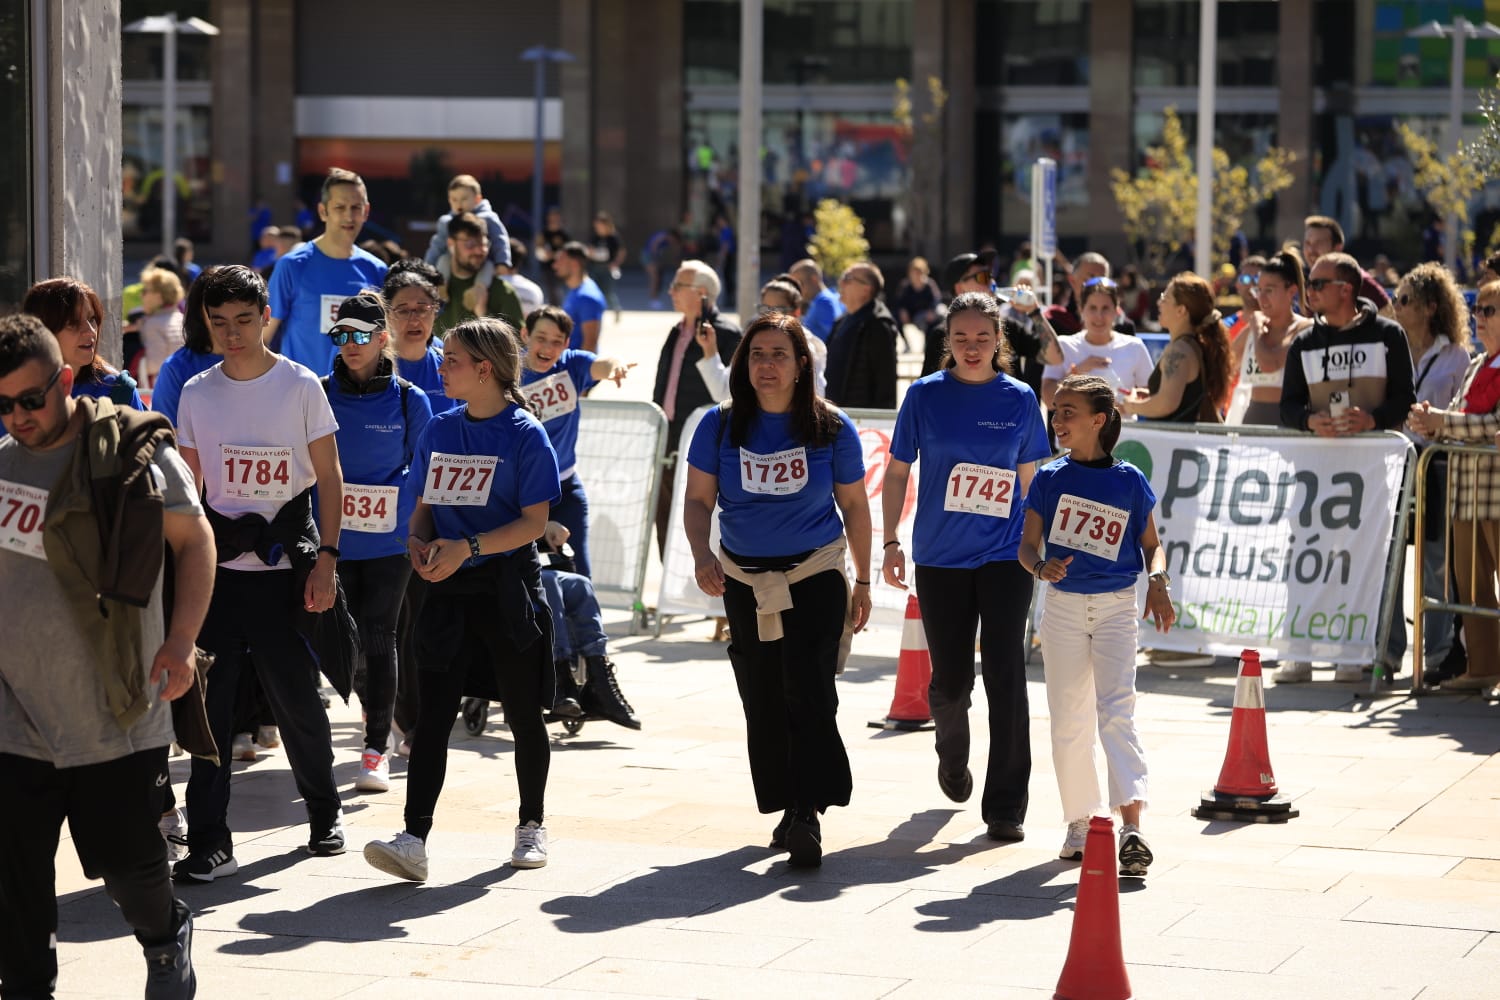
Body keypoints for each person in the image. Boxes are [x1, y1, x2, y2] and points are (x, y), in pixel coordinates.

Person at [0, 312, 212, 998]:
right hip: (15, 719)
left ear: (64, 379)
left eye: (31, 399)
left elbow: (196, 539)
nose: (19, 416)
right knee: (18, 885)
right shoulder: (0, 466)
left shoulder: (128, 452)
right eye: (2, 404)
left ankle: (165, 935)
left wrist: (181, 642)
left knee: (129, 872)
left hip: (115, 709)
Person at [362, 317, 561, 882]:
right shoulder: (440, 428)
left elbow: (534, 522)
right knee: (431, 718)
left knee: (524, 714)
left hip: (506, 589)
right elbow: (423, 503)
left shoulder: (525, 433)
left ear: (486, 369)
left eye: (451, 360)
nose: (440, 367)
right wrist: (418, 542)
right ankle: (413, 838)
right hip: (445, 590)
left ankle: (531, 825)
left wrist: (468, 547)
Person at [173, 265, 347, 881]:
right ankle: (210, 841)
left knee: (297, 699)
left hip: (286, 571)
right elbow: (190, 494)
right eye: (218, 323)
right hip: (219, 577)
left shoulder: (300, 386)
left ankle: (325, 812)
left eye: (243, 320)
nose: (231, 334)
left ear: (265, 315)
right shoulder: (196, 393)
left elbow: (329, 478)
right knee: (209, 712)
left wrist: (327, 558)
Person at [683, 312, 873, 867]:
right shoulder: (718, 425)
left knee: (809, 689)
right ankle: (788, 803)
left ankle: (807, 810)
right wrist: (701, 555)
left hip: (814, 573)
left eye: (779, 355)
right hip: (744, 579)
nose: (767, 366)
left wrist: (862, 580)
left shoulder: (831, 426)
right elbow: (698, 501)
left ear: (801, 366)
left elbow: (856, 506)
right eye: (757, 355)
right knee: (762, 695)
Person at [880, 292, 1051, 842]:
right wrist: (889, 541)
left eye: (983, 338)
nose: (972, 348)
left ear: (999, 340)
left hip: (1005, 555)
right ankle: (952, 757)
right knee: (951, 683)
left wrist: (1039, 545)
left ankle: (1006, 805)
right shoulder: (924, 397)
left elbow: (1033, 479)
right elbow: (899, 473)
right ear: (946, 341)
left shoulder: (1021, 398)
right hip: (940, 557)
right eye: (961, 338)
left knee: (1006, 676)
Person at [1018, 373, 1174, 877]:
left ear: (1098, 420)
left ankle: (1132, 827)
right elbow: (1026, 546)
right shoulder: (1048, 478)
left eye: (1069, 412)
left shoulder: (1129, 480)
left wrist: (1158, 580)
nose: (1058, 419)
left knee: (1116, 712)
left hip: (1114, 607)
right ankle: (1082, 823)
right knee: (1068, 721)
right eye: (1056, 410)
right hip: (1062, 608)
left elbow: (1152, 544)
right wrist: (1040, 568)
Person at [1279, 251, 1416, 683]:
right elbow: (1287, 406)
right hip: (1317, 471)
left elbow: (1405, 399)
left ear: (1345, 289)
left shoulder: (1389, 335)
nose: (1310, 292)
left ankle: (1376, 653)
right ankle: (1300, 648)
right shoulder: (1303, 341)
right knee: (1307, 553)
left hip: (1374, 472)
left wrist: (1373, 419)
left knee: (1375, 557)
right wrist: (1308, 420)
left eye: (1318, 284)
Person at [321, 293, 434, 792]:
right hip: (335, 540)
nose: (350, 344)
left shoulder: (411, 399)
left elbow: (425, 468)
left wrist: (397, 501)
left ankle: (374, 749)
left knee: (380, 633)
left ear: (382, 339)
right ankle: (375, 717)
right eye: (340, 335)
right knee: (346, 643)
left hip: (389, 540)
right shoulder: (320, 392)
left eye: (360, 335)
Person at [1406, 279, 1500, 694]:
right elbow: (1464, 421)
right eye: (1478, 309)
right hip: (1466, 493)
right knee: (1471, 588)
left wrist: (1445, 421)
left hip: (1494, 492)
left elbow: (1495, 427)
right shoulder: (1479, 365)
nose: (1480, 317)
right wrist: (1434, 422)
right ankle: (1483, 665)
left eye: (1490, 310)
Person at [1392, 264, 1472, 683]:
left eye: (1404, 300)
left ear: (1429, 307)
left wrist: (1437, 421)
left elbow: (1462, 409)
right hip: (1400, 464)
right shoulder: (1394, 347)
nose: (1396, 307)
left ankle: (1439, 654)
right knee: (1392, 561)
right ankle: (1390, 653)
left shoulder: (1456, 355)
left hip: (1438, 464)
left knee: (1436, 563)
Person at [520, 303, 635, 579]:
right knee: (524, 576)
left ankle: (583, 622)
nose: (548, 348)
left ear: (566, 343)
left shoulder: (571, 364)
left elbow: (603, 364)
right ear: (525, 335)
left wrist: (616, 367)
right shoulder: (507, 372)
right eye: (541, 338)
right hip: (519, 494)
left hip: (565, 487)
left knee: (578, 574)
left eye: (556, 342)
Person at [652, 260, 742, 552]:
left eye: (678, 285)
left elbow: (732, 394)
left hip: (702, 446)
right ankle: (669, 594)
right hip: (668, 440)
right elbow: (663, 385)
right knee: (664, 516)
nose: (671, 291)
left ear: (701, 293)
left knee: (697, 520)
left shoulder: (727, 335)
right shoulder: (675, 331)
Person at [265, 167, 389, 370]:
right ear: (323, 211)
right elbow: (263, 338)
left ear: (366, 212)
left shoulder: (376, 269)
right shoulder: (292, 265)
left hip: (357, 398)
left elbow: (385, 341)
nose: (349, 216)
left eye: (355, 208)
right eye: (340, 207)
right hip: (302, 396)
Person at [538, 521, 641, 729]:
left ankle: (599, 681)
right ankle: (561, 680)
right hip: (495, 565)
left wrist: (542, 527)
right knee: (548, 583)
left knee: (580, 584)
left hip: (526, 560)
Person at [1119, 272, 1233, 423]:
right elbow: (1181, 397)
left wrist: (1130, 406)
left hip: (1175, 443)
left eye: (1164, 299)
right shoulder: (1192, 345)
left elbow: (1166, 405)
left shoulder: (1179, 350)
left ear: (1181, 311)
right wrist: (1153, 394)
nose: (1159, 303)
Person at [22, 277, 145, 409]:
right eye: (73, 323)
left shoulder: (119, 391)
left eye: (92, 319)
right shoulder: (11, 392)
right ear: (43, 331)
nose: (91, 332)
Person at [1040, 277, 1154, 411]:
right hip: (1075, 431)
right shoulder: (1063, 345)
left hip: (1126, 430)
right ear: (1081, 309)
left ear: (1116, 310)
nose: (1099, 316)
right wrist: (1076, 373)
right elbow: (1048, 400)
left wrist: (1131, 403)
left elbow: (1151, 398)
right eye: (1092, 308)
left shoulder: (1135, 347)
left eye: (1105, 308)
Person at [1227, 248, 1311, 426]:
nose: (1261, 298)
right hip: (1252, 421)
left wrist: (1257, 331)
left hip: (1290, 423)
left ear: (1291, 291)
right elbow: (1225, 365)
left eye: (1270, 290)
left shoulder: (1304, 328)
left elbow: (1269, 364)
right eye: (1259, 290)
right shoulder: (1255, 326)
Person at [384, 260, 459, 414]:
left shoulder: (453, 365)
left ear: (435, 311)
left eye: (422, 309)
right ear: (388, 314)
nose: (414, 319)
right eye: (403, 311)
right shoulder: (373, 367)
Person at [433, 212, 524, 337]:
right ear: (451, 244)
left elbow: (519, 344)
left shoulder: (503, 291)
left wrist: (484, 314)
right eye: (470, 244)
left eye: (484, 244)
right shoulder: (432, 291)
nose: (479, 251)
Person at [824, 262, 898, 409]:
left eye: (848, 278)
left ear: (866, 289)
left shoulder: (878, 324)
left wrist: (878, 423)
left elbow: (885, 384)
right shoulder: (842, 321)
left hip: (861, 420)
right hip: (835, 414)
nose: (841, 282)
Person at [422, 174, 513, 272]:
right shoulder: (446, 222)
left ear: (477, 199)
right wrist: (426, 268)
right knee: (443, 261)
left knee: (488, 267)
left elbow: (500, 240)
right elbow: (437, 247)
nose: (459, 203)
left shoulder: (487, 218)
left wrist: (502, 262)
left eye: (464, 199)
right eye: (454, 200)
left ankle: (480, 286)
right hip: (454, 269)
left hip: (481, 266)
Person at [1302, 215, 1391, 310]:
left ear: (1337, 248)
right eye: (1307, 243)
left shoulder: (1361, 283)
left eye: (1319, 243)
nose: (1311, 250)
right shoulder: (1301, 285)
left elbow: (1390, 317)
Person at [1043, 252, 1137, 337]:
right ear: (1072, 281)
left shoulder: (1122, 325)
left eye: (1102, 280)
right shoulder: (1054, 320)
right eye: (1089, 279)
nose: (1096, 286)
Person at [554, 241, 608, 352]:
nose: (555, 265)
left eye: (560, 260)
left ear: (574, 264)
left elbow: (590, 345)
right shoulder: (575, 290)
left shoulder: (587, 297)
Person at [139, 266, 187, 388]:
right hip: (184, 381)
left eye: (145, 291)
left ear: (158, 296)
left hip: (164, 386)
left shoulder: (153, 324)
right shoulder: (182, 318)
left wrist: (138, 360)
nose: (141, 295)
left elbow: (154, 364)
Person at [890, 256, 941, 354]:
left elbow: (936, 300)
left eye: (919, 272)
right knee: (895, 318)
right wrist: (902, 311)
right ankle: (906, 344)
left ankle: (928, 346)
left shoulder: (929, 285)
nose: (916, 275)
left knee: (936, 319)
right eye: (914, 272)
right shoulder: (905, 286)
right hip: (910, 314)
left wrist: (931, 311)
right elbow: (899, 302)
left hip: (924, 314)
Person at [790, 258, 846, 341]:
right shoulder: (834, 296)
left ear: (814, 279)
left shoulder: (823, 302)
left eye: (800, 284)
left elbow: (836, 339)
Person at [589, 211, 626, 320]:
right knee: (594, 290)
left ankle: (616, 308)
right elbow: (590, 250)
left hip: (608, 268)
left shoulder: (613, 238)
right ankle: (597, 312)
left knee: (608, 292)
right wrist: (592, 253)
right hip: (595, 267)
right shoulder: (595, 237)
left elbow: (621, 252)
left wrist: (615, 263)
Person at [534, 206, 570, 305]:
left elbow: (567, 250)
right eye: (551, 217)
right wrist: (543, 254)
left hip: (561, 266)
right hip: (547, 267)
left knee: (560, 290)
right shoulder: (543, 233)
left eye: (556, 217)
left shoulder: (564, 234)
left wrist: (554, 255)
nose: (553, 219)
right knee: (551, 290)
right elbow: (538, 248)